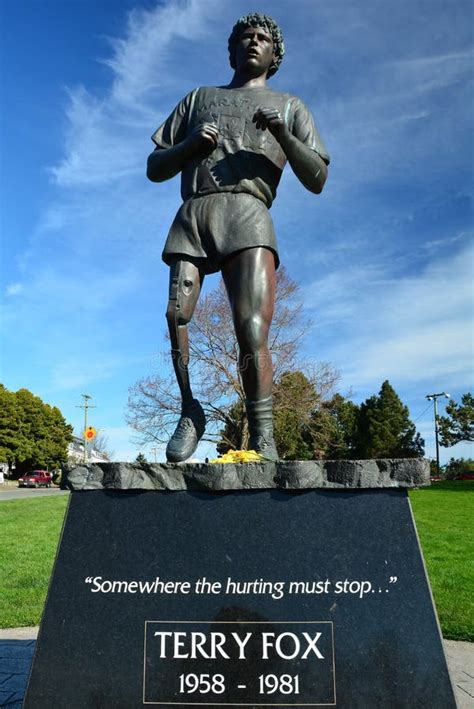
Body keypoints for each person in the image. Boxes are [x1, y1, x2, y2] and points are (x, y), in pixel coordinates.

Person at [147, 12, 330, 463]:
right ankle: (191, 409)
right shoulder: (199, 99)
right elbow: (154, 166)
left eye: (263, 38)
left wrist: (284, 133)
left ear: (275, 53)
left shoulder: (290, 105)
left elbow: (318, 177)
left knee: (251, 328)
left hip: (249, 215)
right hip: (195, 212)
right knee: (177, 317)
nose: (254, 42)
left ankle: (263, 432)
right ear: (231, 49)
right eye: (245, 36)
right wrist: (190, 147)